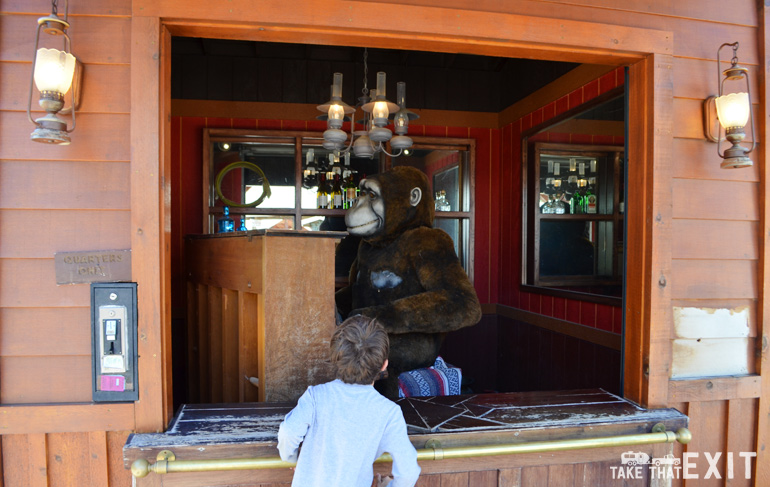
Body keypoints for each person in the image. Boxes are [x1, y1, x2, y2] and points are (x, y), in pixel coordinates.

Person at [277, 316, 421, 487]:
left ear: (336, 358)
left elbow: (288, 432)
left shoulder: (316, 396)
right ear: (384, 365)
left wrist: (292, 459)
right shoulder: (389, 412)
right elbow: (409, 472)